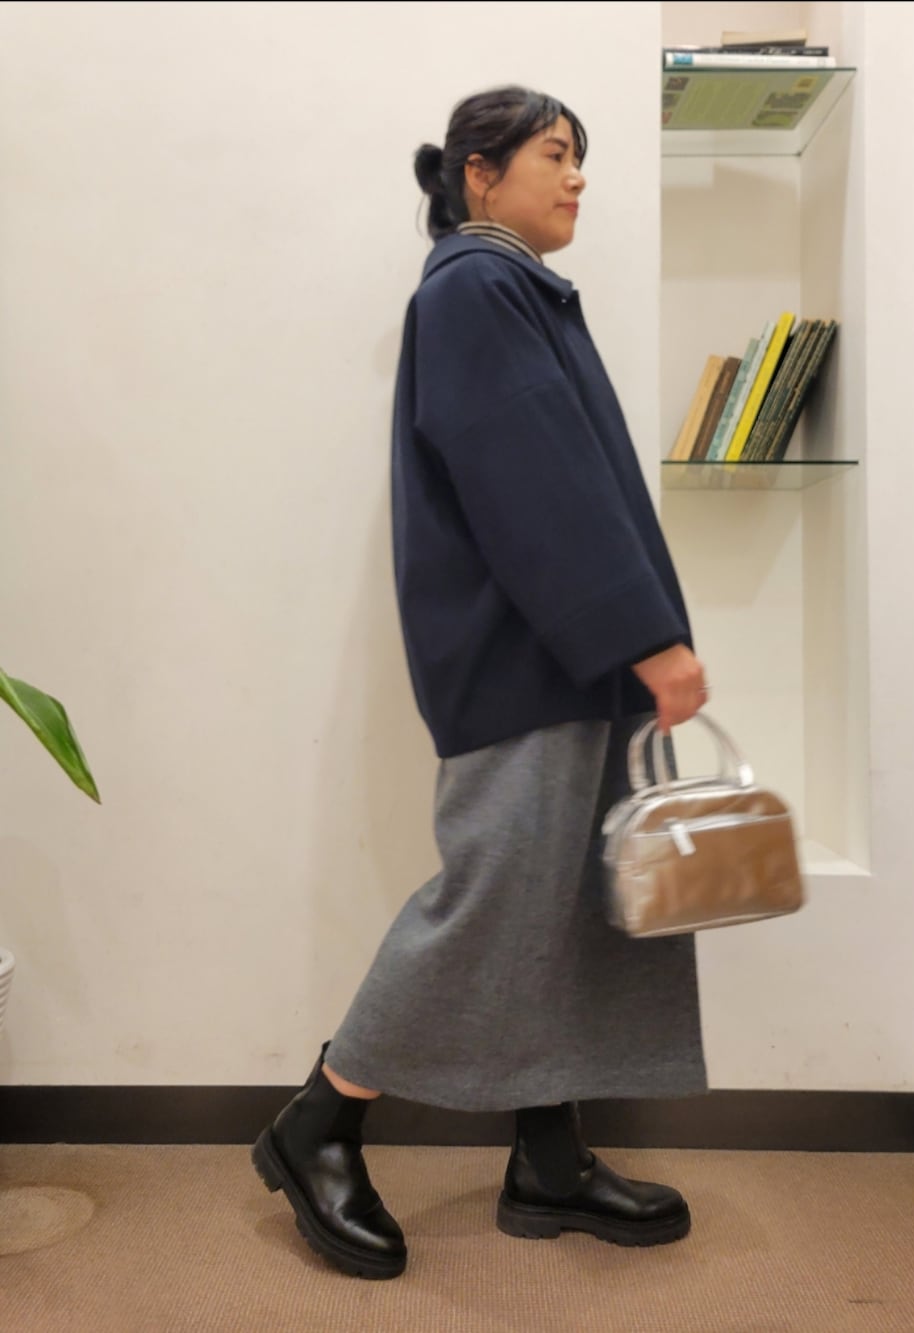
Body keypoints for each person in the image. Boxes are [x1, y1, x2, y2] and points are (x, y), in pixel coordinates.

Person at [253, 85, 710, 1281]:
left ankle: (548, 1159)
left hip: (572, 661)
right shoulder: (475, 289)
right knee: (496, 900)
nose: (577, 176)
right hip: (529, 664)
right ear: (478, 171)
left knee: (568, 906)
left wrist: (638, 640)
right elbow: (533, 483)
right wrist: (648, 637)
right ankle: (318, 1121)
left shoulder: (512, 288)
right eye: (555, 153)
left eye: (580, 157)